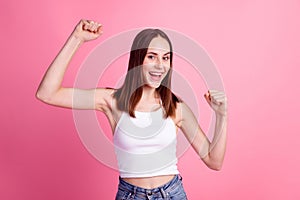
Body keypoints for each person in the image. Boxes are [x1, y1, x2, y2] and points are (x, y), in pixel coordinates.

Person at [36, 19, 227, 200]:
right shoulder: (112, 101)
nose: (160, 65)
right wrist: (76, 38)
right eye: (151, 56)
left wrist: (221, 115)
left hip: (172, 194)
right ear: (137, 59)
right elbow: (47, 93)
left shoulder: (176, 107)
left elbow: (213, 161)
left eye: (165, 58)